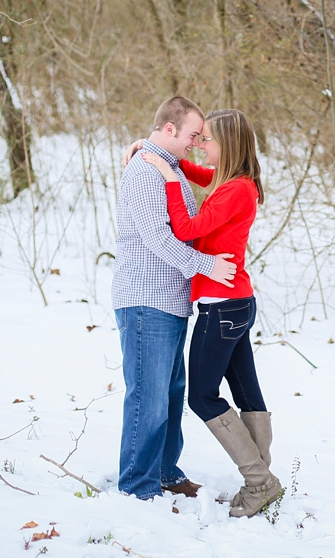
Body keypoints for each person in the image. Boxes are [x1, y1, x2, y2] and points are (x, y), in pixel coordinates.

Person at [136, 108, 283, 518]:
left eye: (208, 139)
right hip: (235, 304)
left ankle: (259, 481)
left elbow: (186, 230)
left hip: (222, 307)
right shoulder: (235, 181)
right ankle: (261, 483)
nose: (201, 145)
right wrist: (164, 156)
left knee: (202, 396)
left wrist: (166, 177)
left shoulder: (236, 189)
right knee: (247, 393)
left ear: (229, 145)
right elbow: (200, 175)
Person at [112, 97, 238, 502]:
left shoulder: (163, 165)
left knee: (169, 393)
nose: (196, 143)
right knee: (147, 396)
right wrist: (207, 266)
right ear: (169, 129)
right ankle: (137, 486)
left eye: (202, 137)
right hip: (146, 298)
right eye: (192, 135)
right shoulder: (146, 171)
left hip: (168, 300)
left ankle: (165, 472)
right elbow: (159, 239)